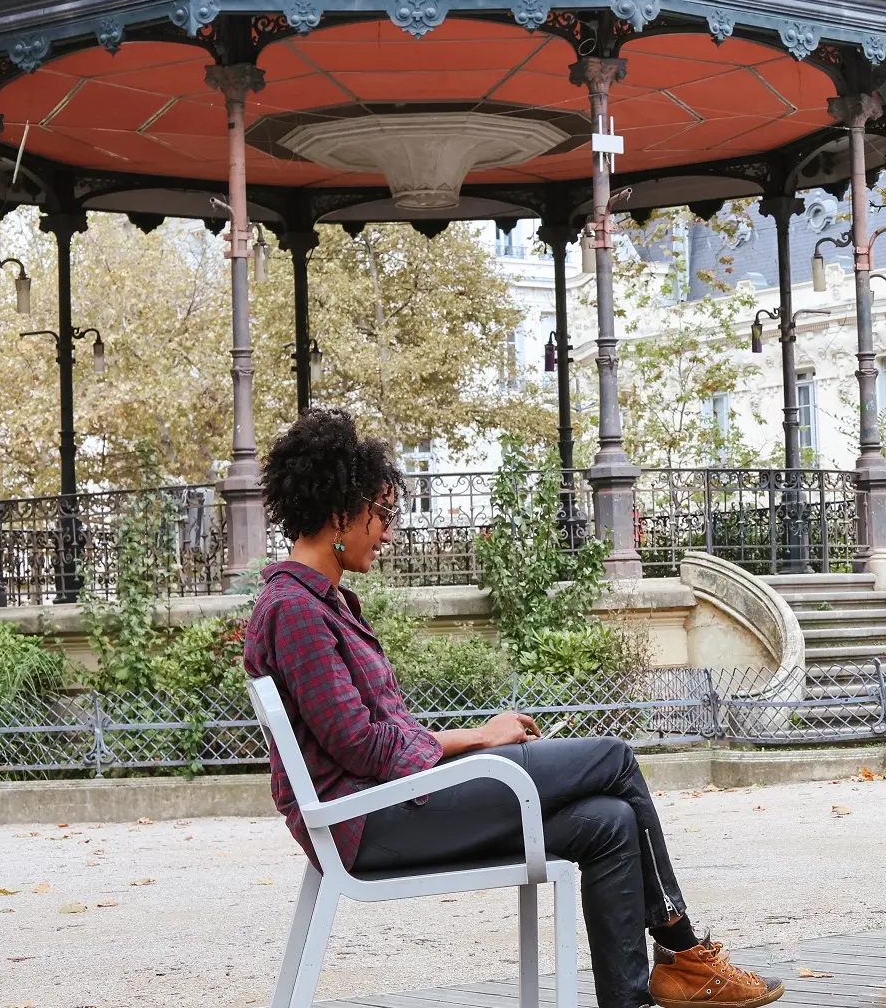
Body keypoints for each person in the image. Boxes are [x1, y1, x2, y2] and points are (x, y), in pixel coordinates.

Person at [242, 410, 783, 1008]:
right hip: (372, 822)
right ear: (341, 511)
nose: (389, 533)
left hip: (396, 803)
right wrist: (479, 738)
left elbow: (378, 738)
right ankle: (683, 950)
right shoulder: (297, 610)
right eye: (384, 515)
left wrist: (470, 743)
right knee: (614, 758)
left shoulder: (325, 603)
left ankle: (639, 995)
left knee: (610, 822)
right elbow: (362, 746)